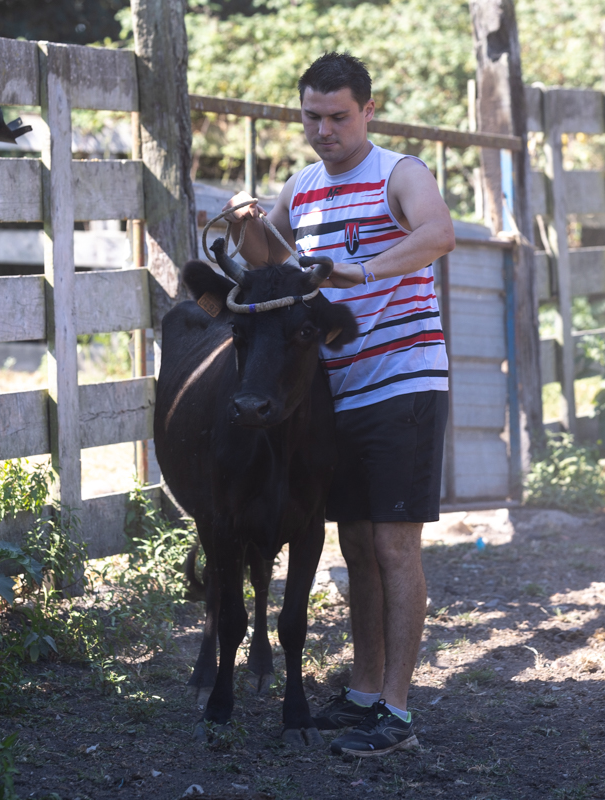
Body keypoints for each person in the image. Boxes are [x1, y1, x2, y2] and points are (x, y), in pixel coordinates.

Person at [221, 52, 454, 758]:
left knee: (392, 544)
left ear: (368, 111)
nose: (325, 130)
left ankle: (399, 713)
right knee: (354, 545)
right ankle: (362, 692)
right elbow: (275, 259)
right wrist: (242, 224)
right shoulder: (305, 187)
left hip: (403, 380)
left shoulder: (400, 174)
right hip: (335, 392)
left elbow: (440, 235)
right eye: (312, 117)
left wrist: (361, 267)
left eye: (338, 117)